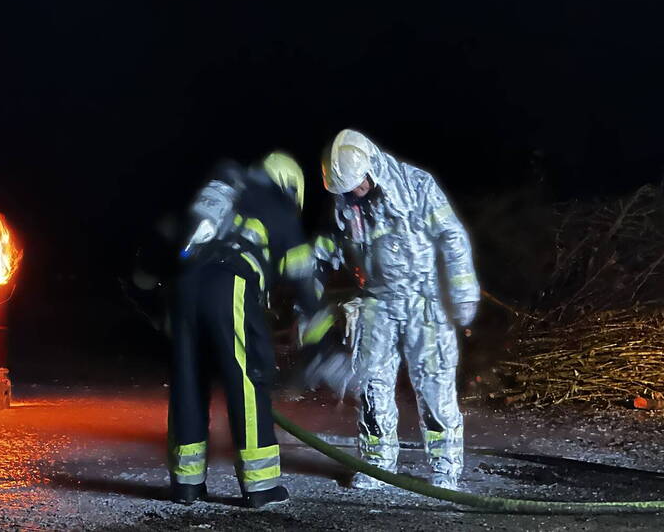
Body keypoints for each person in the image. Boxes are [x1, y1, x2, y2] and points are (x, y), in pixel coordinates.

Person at [314, 130, 480, 490]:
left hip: (425, 299)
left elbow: (451, 235)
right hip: (377, 301)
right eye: (347, 189)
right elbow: (337, 244)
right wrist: (314, 267)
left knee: (434, 385)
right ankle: (378, 465)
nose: (355, 192)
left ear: (370, 167)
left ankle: (445, 468)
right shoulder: (346, 202)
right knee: (371, 384)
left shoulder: (416, 186)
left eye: (358, 184)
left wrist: (464, 292)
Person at [168, 152, 328, 508]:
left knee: (189, 378)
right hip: (229, 284)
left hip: (185, 287)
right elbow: (302, 280)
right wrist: (318, 340)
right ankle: (261, 487)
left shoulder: (231, 193)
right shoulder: (280, 206)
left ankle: (186, 484)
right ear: (291, 189)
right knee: (247, 376)